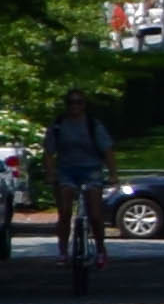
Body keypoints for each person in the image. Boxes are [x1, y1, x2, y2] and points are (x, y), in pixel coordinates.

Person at [46, 87, 119, 291]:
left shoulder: (93, 125)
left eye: (79, 102)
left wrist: (113, 174)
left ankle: (101, 250)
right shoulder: (59, 125)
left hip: (91, 170)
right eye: (71, 102)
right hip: (67, 170)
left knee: (95, 214)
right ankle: (62, 251)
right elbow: (49, 152)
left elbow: (108, 150)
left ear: (84, 105)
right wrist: (50, 173)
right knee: (65, 210)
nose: (75, 106)